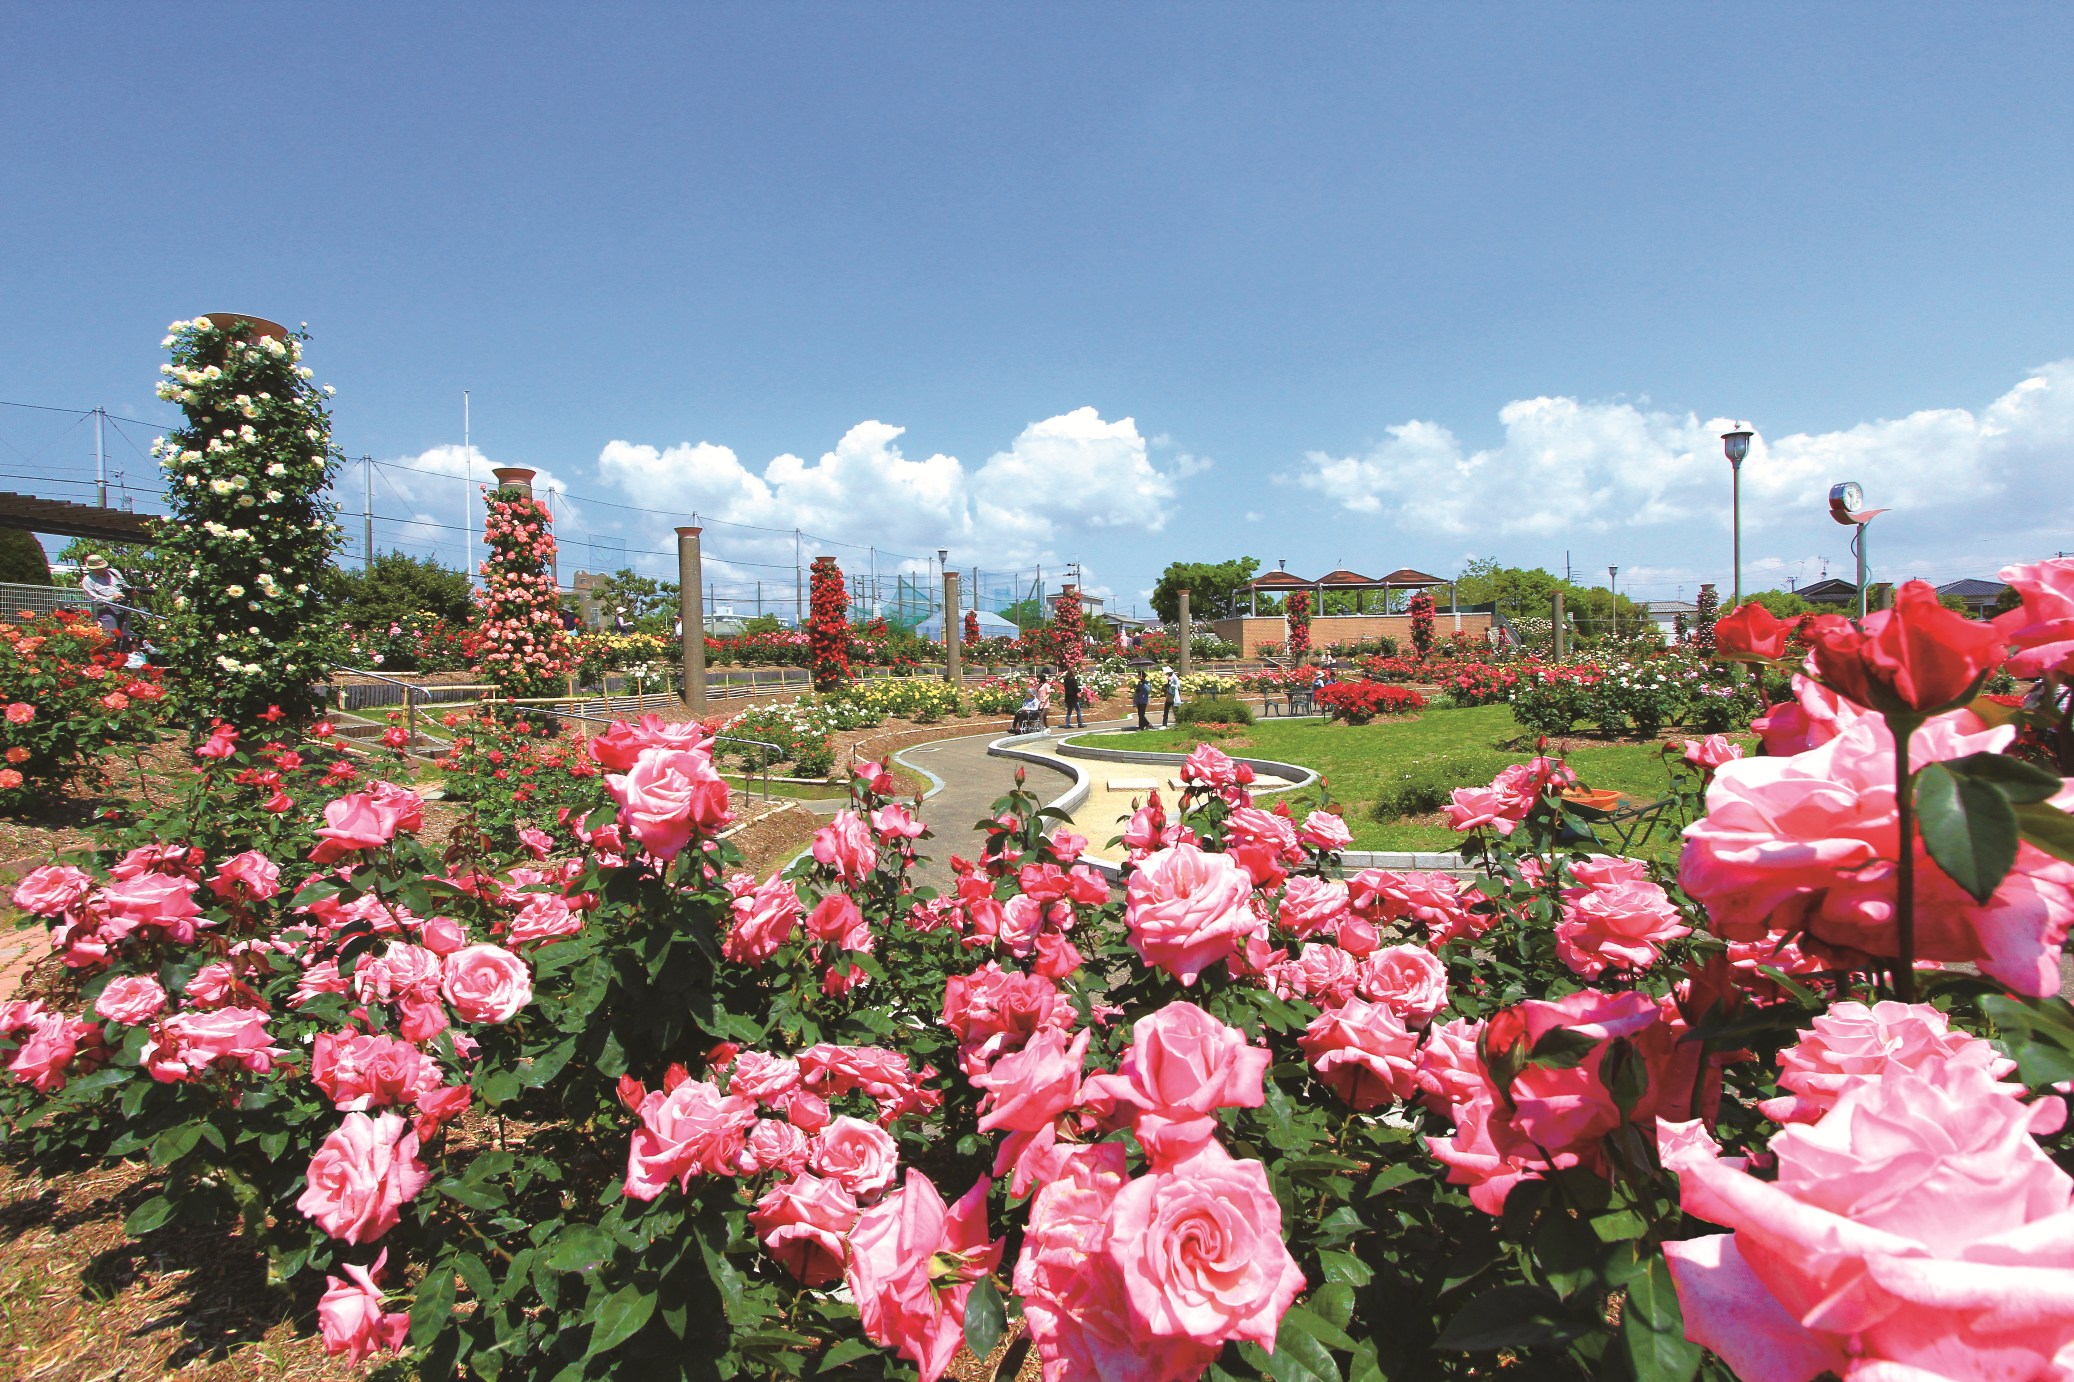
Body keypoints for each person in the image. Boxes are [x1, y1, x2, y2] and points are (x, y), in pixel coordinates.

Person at [80, 554, 130, 638]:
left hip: (123, 606)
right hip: (106, 608)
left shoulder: (114, 572)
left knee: (125, 634)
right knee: (111, 634)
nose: (102, 569)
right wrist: (111, 598)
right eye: (98, 568)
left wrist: (132, 592)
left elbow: (125, 586)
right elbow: (93, 598)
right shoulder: (87, 580)